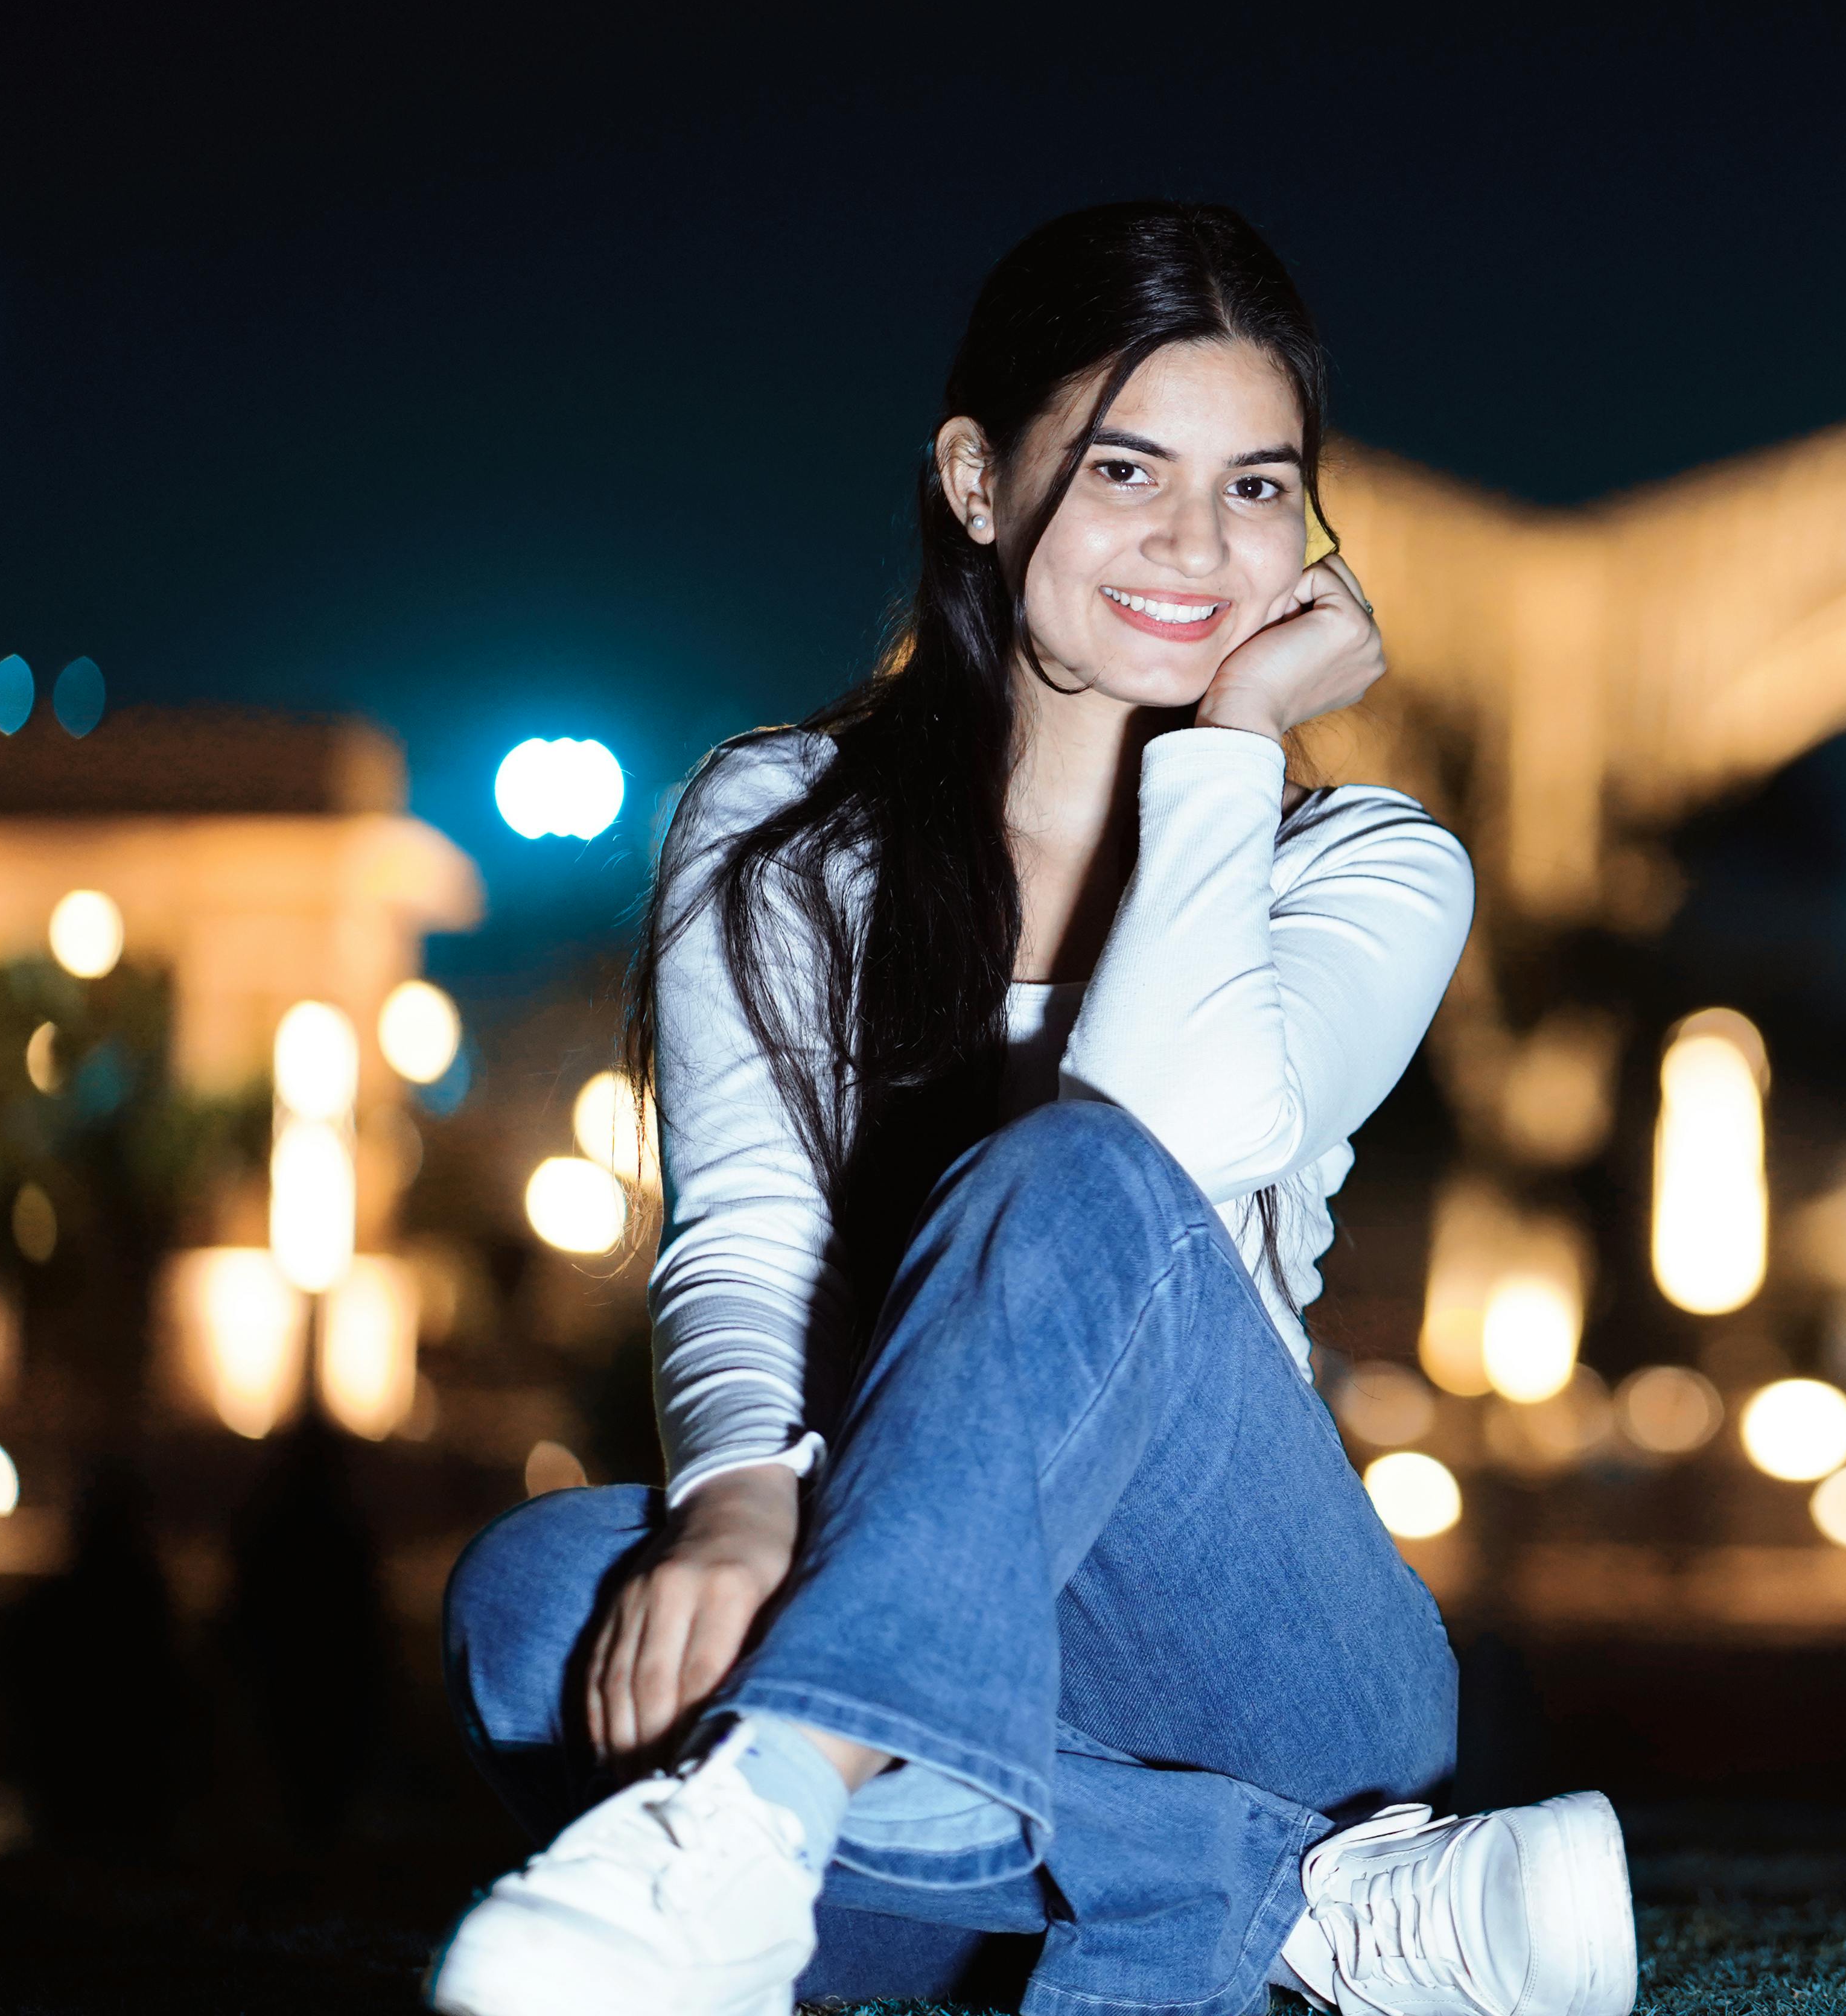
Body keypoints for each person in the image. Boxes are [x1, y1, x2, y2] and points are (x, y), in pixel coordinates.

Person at [431, 203, 1634, 2016]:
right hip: (934, 1633)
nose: (1196, 543)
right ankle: (1311, 1912)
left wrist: (1229, 745)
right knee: (541, 1605)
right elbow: (746, 1228)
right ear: (978, 483)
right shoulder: (779, 829)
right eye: (1129, 469)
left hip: (1262, 1659)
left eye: (1258, 488)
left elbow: (1154, 1142)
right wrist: (743, 1498)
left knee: (1069, 1172)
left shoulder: (1365, 864)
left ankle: (762, 1821)